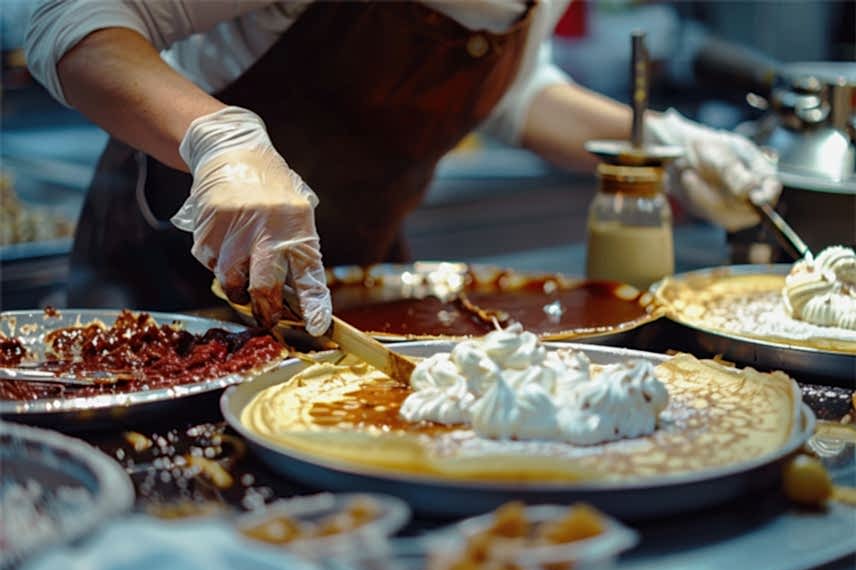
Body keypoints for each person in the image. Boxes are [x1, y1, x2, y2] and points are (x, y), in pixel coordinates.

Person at [25, 0, 779, 336]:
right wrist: (220, 140)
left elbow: (514, 94)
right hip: (168, 295)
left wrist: (671, 151)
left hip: (357, 292)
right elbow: (71, 20)